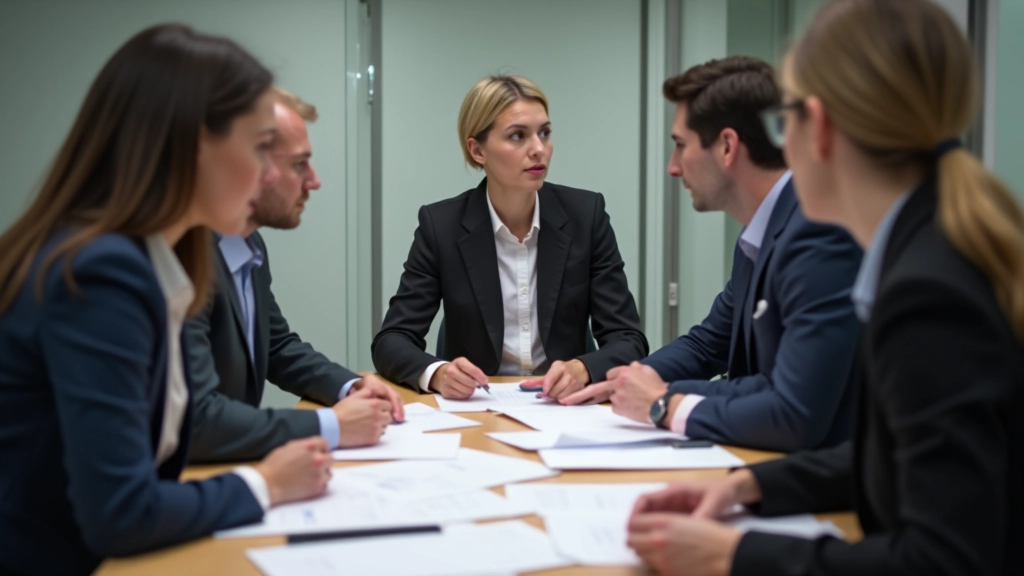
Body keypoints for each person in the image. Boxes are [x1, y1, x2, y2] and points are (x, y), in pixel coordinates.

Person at [626, 1, 1024, 574]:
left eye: (785, 124)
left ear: (820, 129)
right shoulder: (932, 242)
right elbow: (889, 459)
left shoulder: (929, 295)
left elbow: (943, 559)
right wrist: (749, 488)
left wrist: (734, 554)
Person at [0, 25, 332, 575]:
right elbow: (121, 512)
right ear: (194, 145)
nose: (271, 174)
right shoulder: (104, 270)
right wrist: (265, 483)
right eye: (258, 149)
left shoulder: (152, 254)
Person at [562, 57, 862, 452]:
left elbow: (793, 412)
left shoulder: (818, 234)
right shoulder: (764, 231)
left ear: (726, 147)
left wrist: (662, 404)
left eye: (680, 146)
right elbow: (708, 345)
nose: (672, 167)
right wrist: (621, 379)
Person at [372, 75, 648, 399]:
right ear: (477, 150)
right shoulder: (441, 226)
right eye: (518, 136)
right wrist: (438, 373)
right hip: (477, 407)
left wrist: (583, 369)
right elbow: (392, 340)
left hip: (565, 408)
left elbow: (629, 339)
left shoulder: (586, 216)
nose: (539, 149)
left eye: (544, 133)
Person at [186, 87, 403, 463]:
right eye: (299, 164)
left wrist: (349, 386)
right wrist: (331, 426)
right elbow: (198, 421)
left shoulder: (245, 243)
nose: (314, 181)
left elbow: (276, 346)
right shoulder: (184, 259)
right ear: (247, 167)